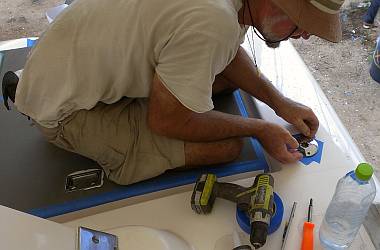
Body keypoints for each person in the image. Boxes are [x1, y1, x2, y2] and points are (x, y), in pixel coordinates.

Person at [3, 0, 344, 185]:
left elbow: (225, 53)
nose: (305, 36)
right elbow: (167, 121)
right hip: (62, 111)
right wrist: (260, 128)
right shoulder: (212, 20)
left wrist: (279, 102)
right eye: (302, 24)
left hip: (63, 62)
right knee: (228, 147)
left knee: (219, 78)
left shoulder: (229, 9)